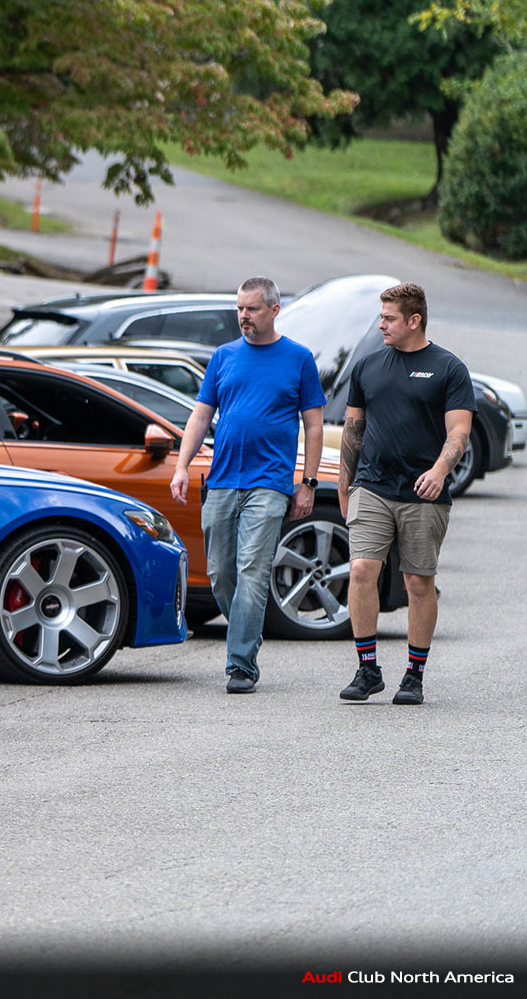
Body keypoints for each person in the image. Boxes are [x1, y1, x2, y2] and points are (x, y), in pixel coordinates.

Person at [170, 276, 324, 693]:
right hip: (222, 479)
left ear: (274, 310)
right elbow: (201, 416)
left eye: (252, 309)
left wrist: (308, 483)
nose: (243, 316)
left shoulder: (298, 359)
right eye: (239, 308)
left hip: (270, 482)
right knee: (220, 573)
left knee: (253, 570)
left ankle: (240, 665)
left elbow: (313, 425)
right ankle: (248, 632)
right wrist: (182, 466)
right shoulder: (223, 356)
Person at [337, 282, 473, 706]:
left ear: (414, 320)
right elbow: (353, 430)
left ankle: (414, 674)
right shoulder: (367, 367)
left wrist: (439, 470)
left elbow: (460, 432)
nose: (381, 325)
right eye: (381, 317)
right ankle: (367, 669)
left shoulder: (448, 368)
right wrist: (345, 486)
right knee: (362, 570)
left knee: (418, 581)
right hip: (372, 486)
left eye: (389, 318)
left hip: (423, 492)